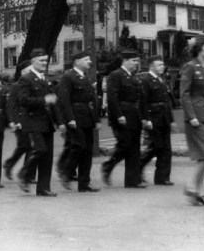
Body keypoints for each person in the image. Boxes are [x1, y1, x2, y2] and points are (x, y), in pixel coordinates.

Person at [180, 37, 204, 206]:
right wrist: (192, 116)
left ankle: (196, 192)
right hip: (196, 118)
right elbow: (184, 94)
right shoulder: (190, 66)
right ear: (199, 49)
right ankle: (191, 187)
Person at [16, 48, 59, 197]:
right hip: (33, 120)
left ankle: (43, 188)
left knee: (47, 156)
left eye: (46, 60)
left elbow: (53, 103)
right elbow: (23, 100)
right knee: (40, 149)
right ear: (33, 61)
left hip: (46, 121)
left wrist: (59, 122)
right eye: (41, 60)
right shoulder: (26, 79)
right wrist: (43, 100)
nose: (44, 63)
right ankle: (25, 174)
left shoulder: (44, 79)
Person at [102, 50, 147, 189]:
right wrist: (119, 115)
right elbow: (112, 97)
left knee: (134, 148)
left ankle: (132, 180)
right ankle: (108, 166)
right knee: (125, 144)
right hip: (122, 116)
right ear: (125, 61)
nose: (136, 64)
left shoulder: (133, 77)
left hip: (134, 116)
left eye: (137, 61)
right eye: (134, 61)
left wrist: (144, 117)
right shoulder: (116, 75)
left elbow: (140, 98)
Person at [56, 51, 100, 192]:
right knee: (78, 147)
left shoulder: (85, 78)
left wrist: (96, 119)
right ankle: (66, 172)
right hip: (75, 118)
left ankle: (84, 183)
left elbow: (92, 100)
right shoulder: (68, 77)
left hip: (87, 118)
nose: (89, 62)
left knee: (87, 150)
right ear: (77, 62)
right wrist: (69, 118)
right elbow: (64, 100)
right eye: (86, 59)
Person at [139, 55, 176, 186]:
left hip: (164, 117)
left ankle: (162, 177)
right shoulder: (146, 80)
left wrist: (171, 120)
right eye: (159, 65)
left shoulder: (161, 80)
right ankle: (139, 166)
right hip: (153, 117)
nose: (162, 67)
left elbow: (167, 101)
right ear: (151, 66)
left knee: (166, 148)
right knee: (156, 146)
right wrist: (145, 119)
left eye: (162, 64)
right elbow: (143, 101)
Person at [2, 60, 33, 181]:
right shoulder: (16, 86)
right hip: (20, 120)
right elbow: (11, 105)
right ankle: (9, 164)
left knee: (31, 147)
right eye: (30, 70)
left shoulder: (31, 83)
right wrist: (14, 121)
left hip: (31, 119)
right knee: (24, 146)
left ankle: (27, 173)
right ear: (23, 72)